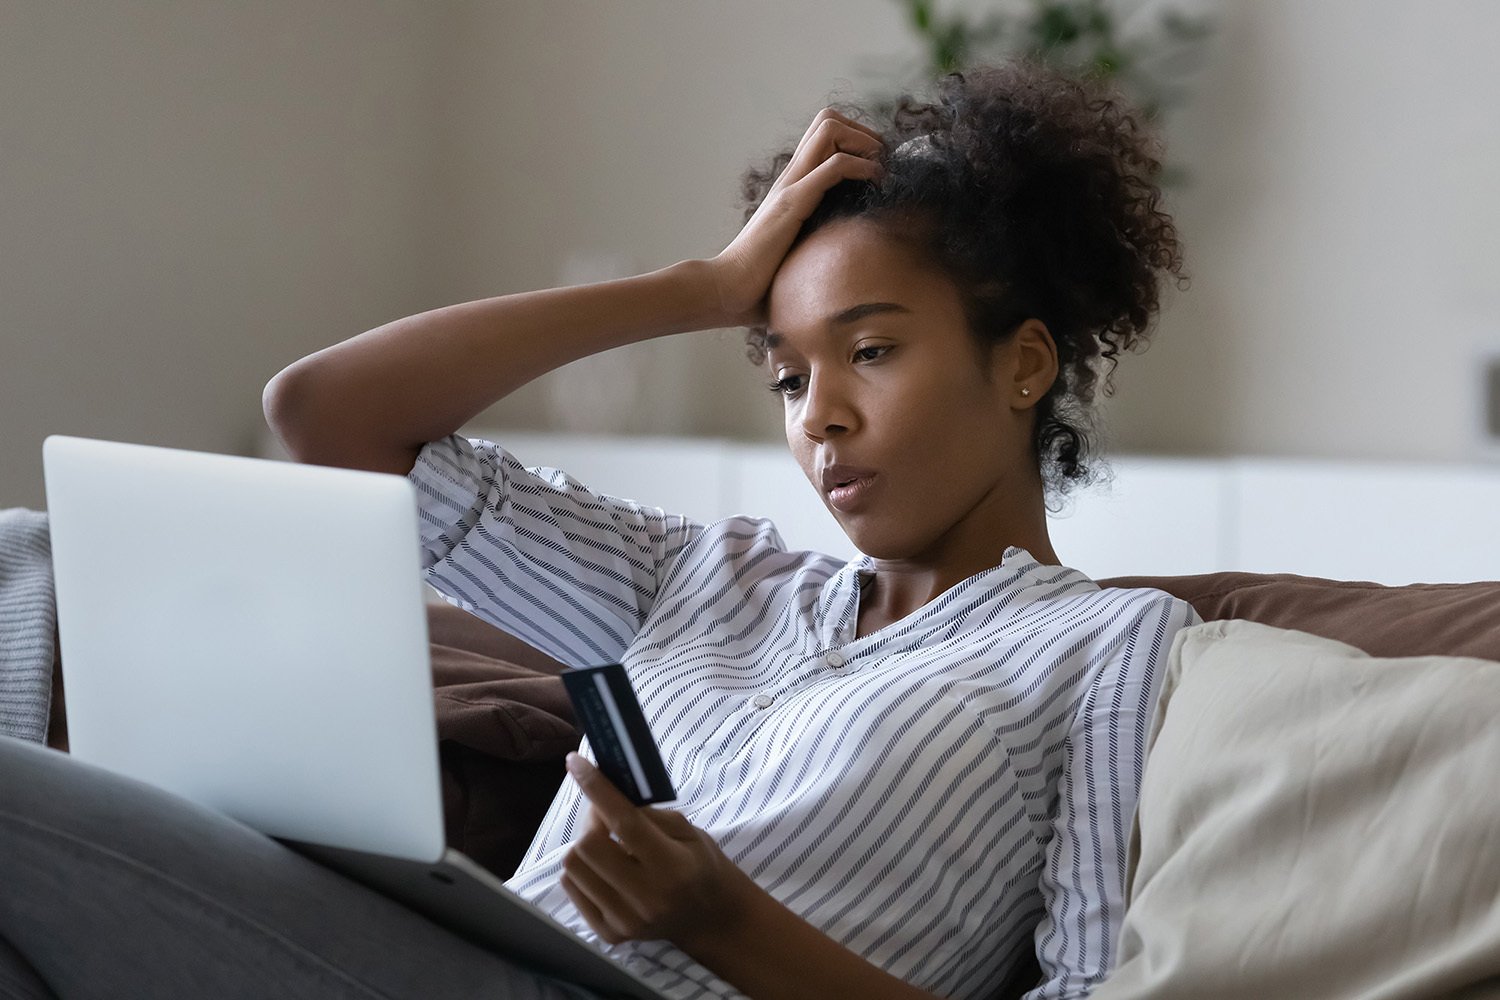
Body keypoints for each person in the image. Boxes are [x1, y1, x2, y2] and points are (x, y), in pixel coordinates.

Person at [0, 60, 1199, 1000]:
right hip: (430, 949)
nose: (821, 414)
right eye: (784, 376)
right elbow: (327, 415)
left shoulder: (1108, 644)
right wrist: (703, 287)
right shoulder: (705, 576)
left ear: (1025, 362)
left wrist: (726, 924)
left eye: (872, 352)